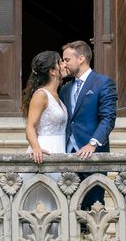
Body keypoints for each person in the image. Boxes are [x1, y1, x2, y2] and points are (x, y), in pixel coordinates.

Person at [60, 40, 117, 209]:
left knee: (94, 207)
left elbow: (108, 118)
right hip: (67, 155)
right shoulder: (65, 89)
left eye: (67, 60)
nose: (63, 64)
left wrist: (93, 144)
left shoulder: (103, 83)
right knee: (69, 208)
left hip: (93, 154)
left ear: (81, 59)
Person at [21, 50, 68, 213]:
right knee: (40, 202)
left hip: (61, 148)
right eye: (61, 62)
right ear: (53, 71)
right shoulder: (41, 95)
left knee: (57, 202)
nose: (64, 64)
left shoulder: (58, 95)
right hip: (45, 149)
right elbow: (30, 126)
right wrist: (36, 148)